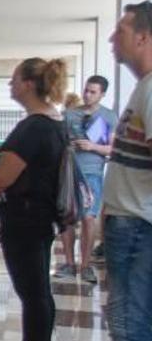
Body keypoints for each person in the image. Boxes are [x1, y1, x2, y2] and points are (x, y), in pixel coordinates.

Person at [0, 58, 68, 341]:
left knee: (33, 295)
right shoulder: (54, 122)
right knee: (38, 292)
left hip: (27, 219)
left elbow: (4, 176)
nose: (10, 85)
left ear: (30, 83)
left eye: (14, 80)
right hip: (38, 217)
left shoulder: (35, 127)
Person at [93, 0, 152, 341]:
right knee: (127, 326)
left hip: (138, 227)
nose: (113, 39)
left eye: (121, 30)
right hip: (130, 224)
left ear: (143, 37)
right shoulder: (143, 87)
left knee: (129, 328)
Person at [56, 76, 117, 283]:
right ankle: (69, 263)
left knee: (89, 218)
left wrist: (93, 147)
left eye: (93, 92)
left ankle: (86, 264)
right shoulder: (70, 114)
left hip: (93, 173)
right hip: (69, 171)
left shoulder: (109, 117)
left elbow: (113, 148)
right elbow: (59, 140)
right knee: (67, 216)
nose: (88, 95)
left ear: (102, 94)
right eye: (86, 90)